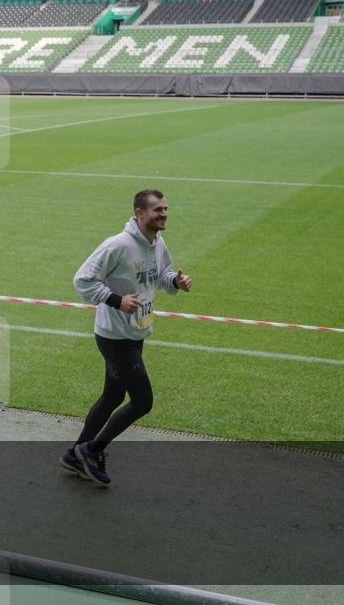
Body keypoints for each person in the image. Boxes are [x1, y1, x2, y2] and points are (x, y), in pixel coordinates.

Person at [63, 189, 192, 485]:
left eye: (165, 209)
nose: (164, 214)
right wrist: (115, 300)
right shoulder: (118, 245)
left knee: (112, 396)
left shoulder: (157, 242)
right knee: (143, 401)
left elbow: (160, 274)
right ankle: (92, 450)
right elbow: (82, 279)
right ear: (139, 213)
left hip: (136, 331)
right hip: (114, 336)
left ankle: (74, 455)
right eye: (157, 209)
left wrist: (175, 281)